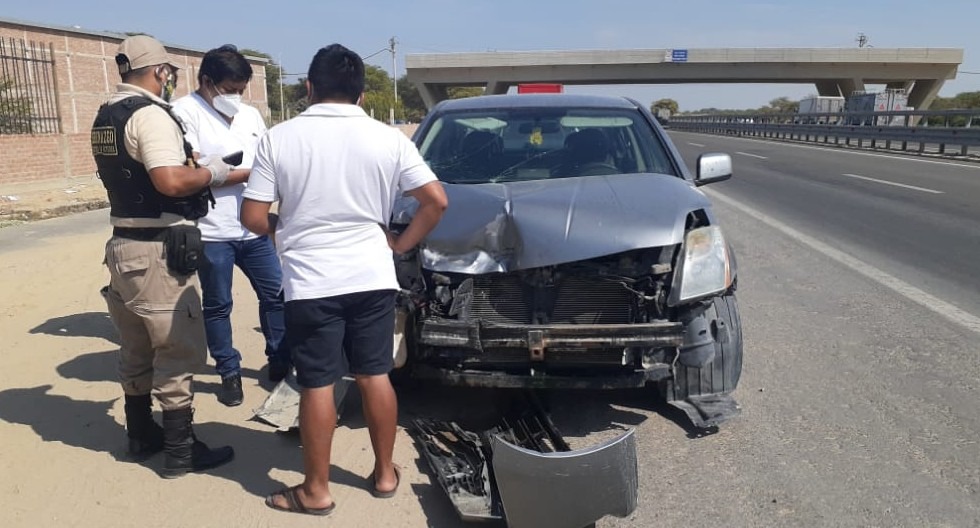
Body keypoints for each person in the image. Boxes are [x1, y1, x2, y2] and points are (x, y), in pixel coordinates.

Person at [240, 44, 448, 516]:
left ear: (309, 86)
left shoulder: (279, 138)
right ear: (361, 94)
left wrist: (285, 228)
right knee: (375, 374)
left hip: (311, 281)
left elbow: (252, 217)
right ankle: (385, 473)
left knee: (317, 382)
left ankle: (316, 491)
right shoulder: (388, 138)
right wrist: (399, 243)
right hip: (372, 275)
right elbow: (436, 201)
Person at [91, 35, 234, 478]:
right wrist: (211, 172)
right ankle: (180, 451)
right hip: (157, 250)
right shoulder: (150, 115)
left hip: (123, 246)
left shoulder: (107, 114)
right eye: (169, 73)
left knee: (135, 347)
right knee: (175, 350)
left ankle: (141, 435)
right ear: (160, 71)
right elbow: (169, 182)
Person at [171, 45, 288, 407]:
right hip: (213, 231)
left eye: (241, 89)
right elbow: (192, 174)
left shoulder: (250, 116)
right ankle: (229, 371)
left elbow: (269, 160)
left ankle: (280, 359)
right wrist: (251, 174)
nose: (236, 96)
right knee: (219, 304)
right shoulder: (184, 113)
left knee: (276, 295)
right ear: (207, 81)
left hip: (254, 228)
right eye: (229, 89)